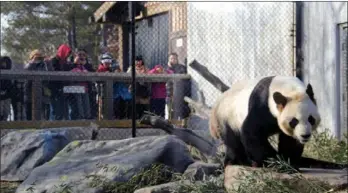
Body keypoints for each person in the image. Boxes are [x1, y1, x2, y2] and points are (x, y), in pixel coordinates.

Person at [97, 53, 132, 119]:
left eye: (108, 62)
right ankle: (108, 118)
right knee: (109, 105)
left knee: (122, 101)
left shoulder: (111, 69)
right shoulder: (101, 69)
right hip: (106, 92)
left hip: (118, 92)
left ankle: (121, 117)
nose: (107, 63)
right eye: (106, 62)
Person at [24, 49, 53, 120]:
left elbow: (50, 75)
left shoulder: (44, 65)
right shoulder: (28, 65)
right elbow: (26, 74)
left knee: (44, 116)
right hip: (30, 95)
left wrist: (48, 63)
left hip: (43, 95)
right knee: (30, 116)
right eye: (37, 57)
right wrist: (33, 63)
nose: (39, 59)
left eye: (40, 57)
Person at [49, 44, 73, 120]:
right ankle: (53, 123)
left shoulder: (65, 62)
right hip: (55, 88)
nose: (67, 56)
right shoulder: (54, 60)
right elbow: (55, 73)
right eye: (67, 53)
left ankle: (63, 122)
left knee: (64, 107)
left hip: (64, 88)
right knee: (55, 109)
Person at [166, 52, 191, 119]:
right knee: (171, 113)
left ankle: (183, 126)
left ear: (177, 59)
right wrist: (170, 68)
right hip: (170, 94)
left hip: (181, 94)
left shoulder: (182, 68)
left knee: (183, 112)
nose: (173, 60)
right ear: (169, 59)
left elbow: (183, 79)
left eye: (175, 58)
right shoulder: (166, 69)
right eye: (171, 58)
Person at [69, 51, 91, 120]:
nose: (81, 58)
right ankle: (81, 117)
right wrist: (75, 63)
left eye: (83, 57)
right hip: (76, 87)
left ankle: (87, 116)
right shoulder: (71, 64)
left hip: (85, 87)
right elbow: (68, 70)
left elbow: (91, 71)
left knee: (86, 102)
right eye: (79, 56)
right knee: (79, 102)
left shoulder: (86, 65)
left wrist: (85, 64)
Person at [0, 56, 14, 121]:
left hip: (7, 95)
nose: (4, 64)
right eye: (3, 62)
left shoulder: (9, 72)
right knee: (1, 111)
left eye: (5, 62)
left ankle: (5, 124)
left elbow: (10, 84)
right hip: (1, 95)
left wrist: (7, 91)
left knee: (6, 111)